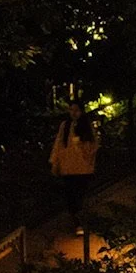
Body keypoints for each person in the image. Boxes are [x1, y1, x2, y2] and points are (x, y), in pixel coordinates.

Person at [49, 100, 101, 233]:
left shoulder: (86, 126)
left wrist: (82, 146)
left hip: (83, 169)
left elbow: (93, 146)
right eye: (71, 110)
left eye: (76, 110)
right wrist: (55, 162)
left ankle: (81, 223)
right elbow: (59, 144)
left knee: (80, 195)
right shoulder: (65, 126)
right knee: (70, 196)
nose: (73, 113)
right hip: (68, 168)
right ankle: (77, 222)